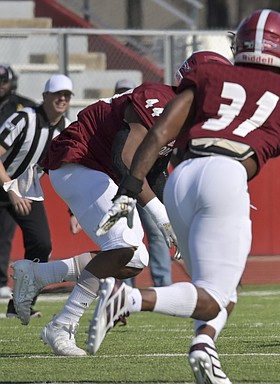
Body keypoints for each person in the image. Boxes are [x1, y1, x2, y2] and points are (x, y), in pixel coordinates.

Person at [86, 10, 280, 384]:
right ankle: (127, 299)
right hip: (225, 177)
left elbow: (159, 133)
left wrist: (129, 190)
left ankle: (204, 345)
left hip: (181, 179)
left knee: (221, 287)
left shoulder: (211, 73)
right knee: (214, 294)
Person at [11, 53, 230, 356]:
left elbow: (152, 173)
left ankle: (38, 275)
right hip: (79, 161)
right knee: (124, 244)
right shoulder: (159, 100)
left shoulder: (182, 114)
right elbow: (126, 160)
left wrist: (178, 221)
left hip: (98, 169)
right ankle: (61, 325)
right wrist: (162, 216)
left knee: (133, 258)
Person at [1, 74, 72, 319]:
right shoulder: (24, 118)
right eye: (57, 94)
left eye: (67, 95)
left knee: (41, 244)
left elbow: (72, 172)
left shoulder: (66, 129)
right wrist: (10, 189)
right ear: (45, 96)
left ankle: (20, 304)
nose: (62, 99)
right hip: (4, 183)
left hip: (26, 191)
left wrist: (74, 211)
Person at [114, 77, 174, 288]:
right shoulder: (118, 120)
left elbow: (159, 168)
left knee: (159, 233)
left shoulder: (153, 118)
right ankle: (124, 289)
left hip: (145, 187)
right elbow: (122, 160)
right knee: (125, 239)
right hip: (120, 187)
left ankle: (163, 286)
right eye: (121, 92)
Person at [0, 64, 36, 300]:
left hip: (8, 175)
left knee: (4, 231)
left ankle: (1, 280)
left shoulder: (23, 107)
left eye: (3, 81)